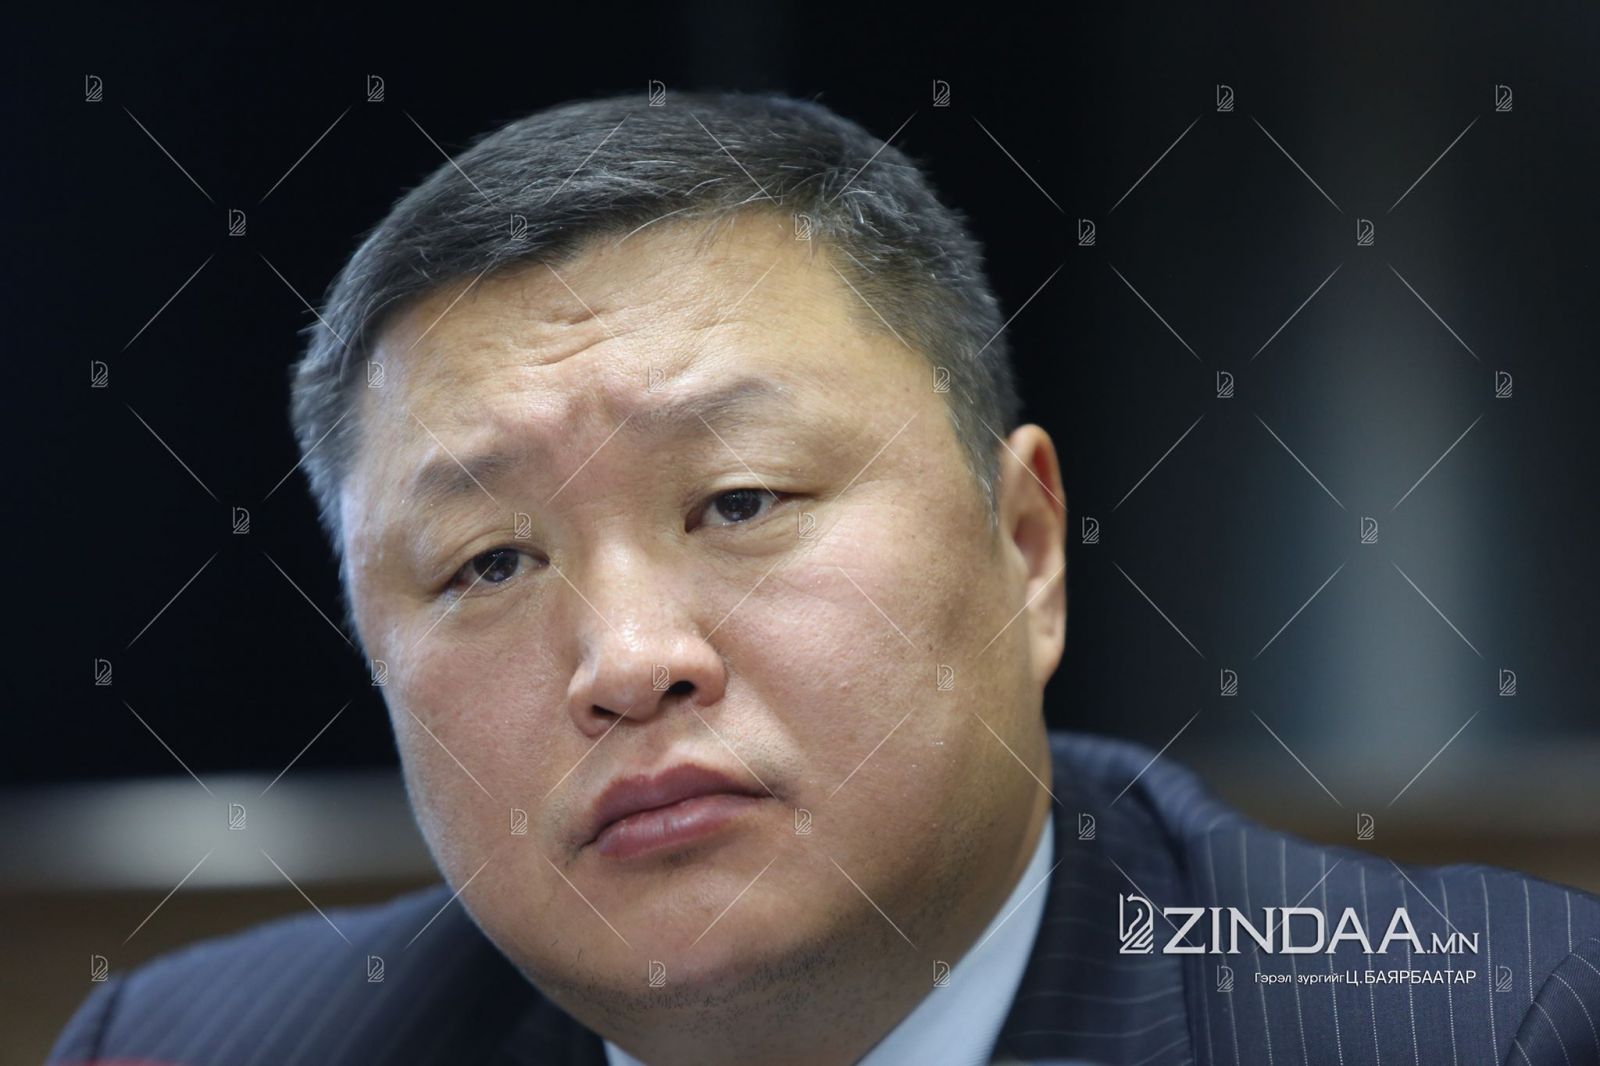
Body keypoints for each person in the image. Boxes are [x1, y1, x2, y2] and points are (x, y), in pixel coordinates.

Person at [50, 90, 1600, 1066]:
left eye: (739, 500)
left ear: (1026, 548)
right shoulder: (193, 1047)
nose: (628, 658)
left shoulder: (1481, 1026)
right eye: (491, 559)